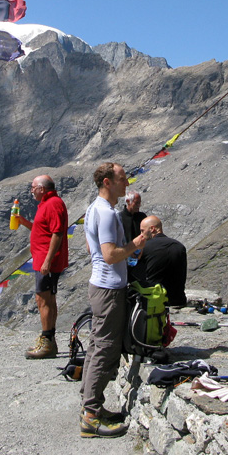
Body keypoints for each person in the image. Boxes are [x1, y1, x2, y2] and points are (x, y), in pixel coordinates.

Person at [79, 162, 147, 438]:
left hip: (100, 284)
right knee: (106, 348)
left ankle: (89, 405)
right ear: (107, 182)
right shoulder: (107, 214)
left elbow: (91, 247)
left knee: (97, 346)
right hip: (109, 290)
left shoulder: (93, 208)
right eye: (121, 179)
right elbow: (109, 254)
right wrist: (135, 245)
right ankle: (91, 416)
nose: (126, 183)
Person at [17, 175, 68, 360]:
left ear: (42, 189)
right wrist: (24, 222)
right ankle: (49, 339)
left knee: (43, 299)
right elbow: (43, 231)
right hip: (43, 259)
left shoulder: (53, 203)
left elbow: (57, 233)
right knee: (48, 298)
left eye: (33, 187)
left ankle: (46, 342)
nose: (31, 190)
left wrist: (47, 260)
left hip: (46, 261)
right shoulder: (46, 203)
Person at [129, 215, 187, 306]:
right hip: (178, 300)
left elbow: (134, 274)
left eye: (142, 231)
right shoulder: (180, 246)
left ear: (152, 229)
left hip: (155, 301)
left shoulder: (144, 247)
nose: (141, 235)